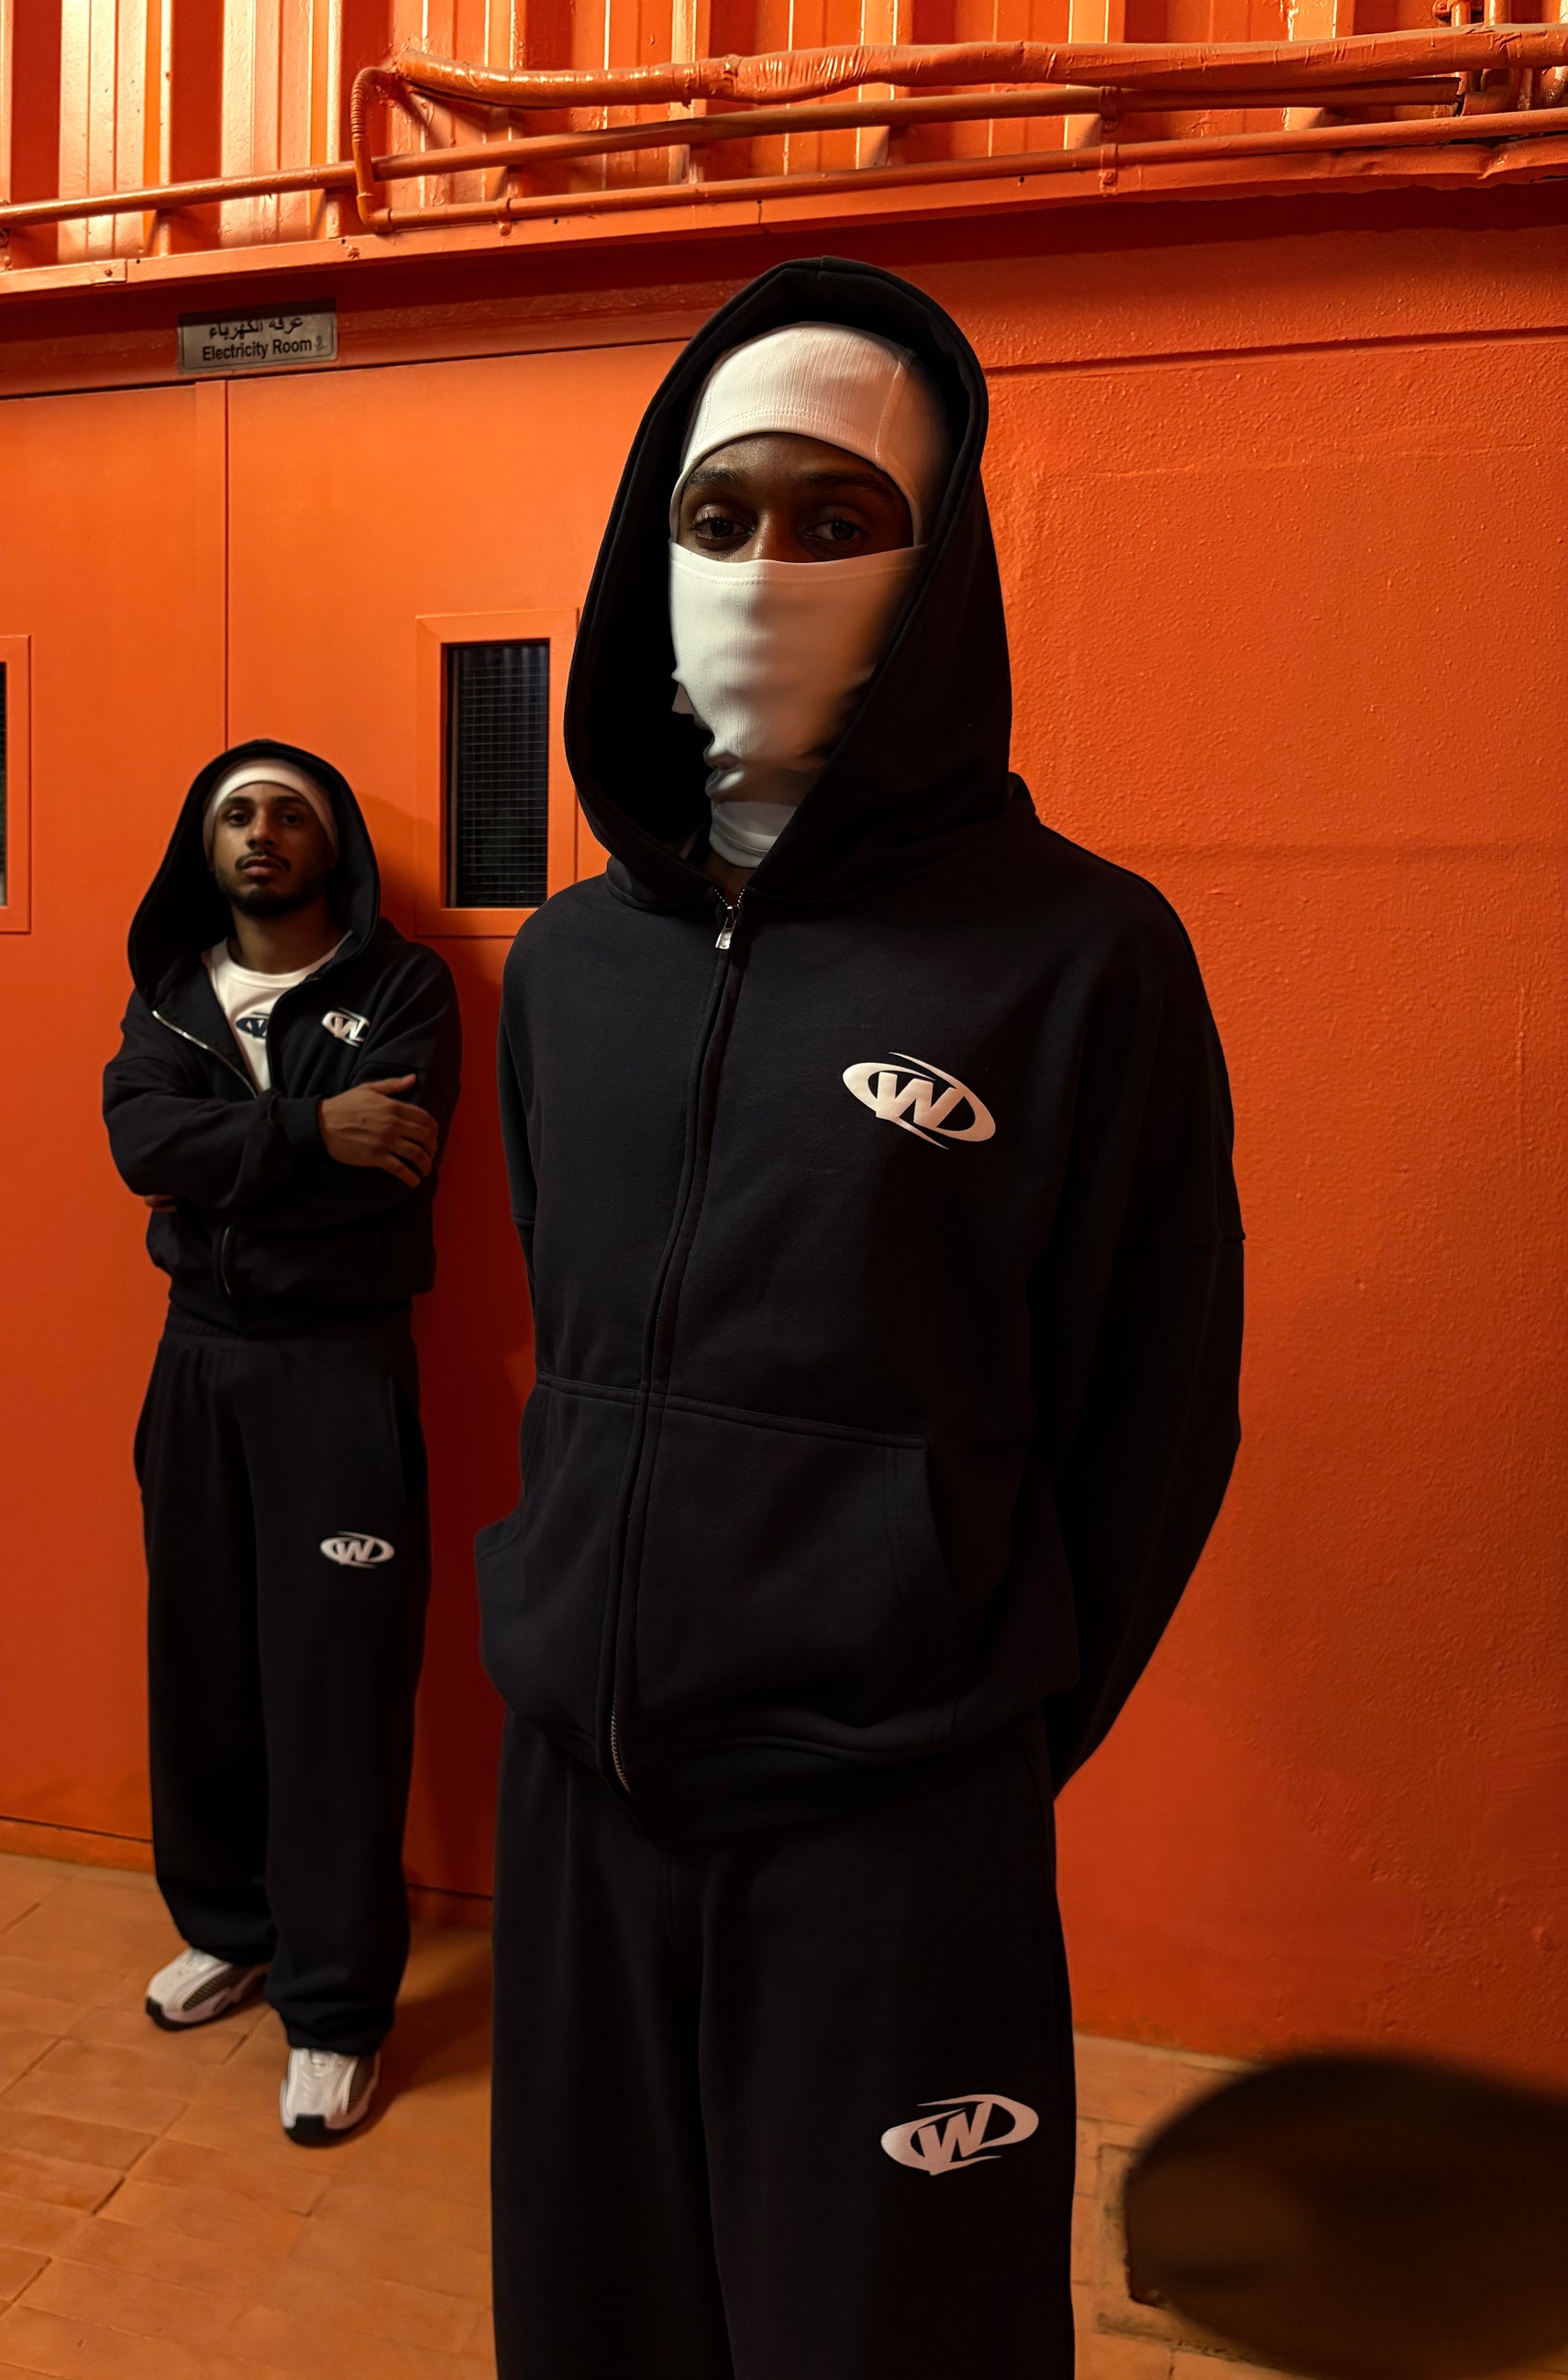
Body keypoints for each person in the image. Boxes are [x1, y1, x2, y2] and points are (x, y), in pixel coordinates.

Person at [480, 260, 1243, 2373]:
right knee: (595, 2328)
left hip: (889, 1835)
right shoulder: (568, 970)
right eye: (716, 514)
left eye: (836, 517)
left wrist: (954, 1720)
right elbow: (583, 1339)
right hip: (581, 1802)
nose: (761, 568)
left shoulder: (1078, 956)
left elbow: (1149, 1414)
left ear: (934, 566)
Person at [103, 740, 458, 2144]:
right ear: (204, 847)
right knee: (199, 1659)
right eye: (236, 813)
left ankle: (334, 2008)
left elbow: (394, 1167)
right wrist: (312, 1129)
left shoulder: (403, 986)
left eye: (288, 813)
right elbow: (141, 1145)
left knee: (332, 1684)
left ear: (332, 844)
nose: (260, 832)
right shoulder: (171, 996)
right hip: (195, 1365)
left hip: (337, 1370)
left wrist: (228, 1161)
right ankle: (229, 1930)